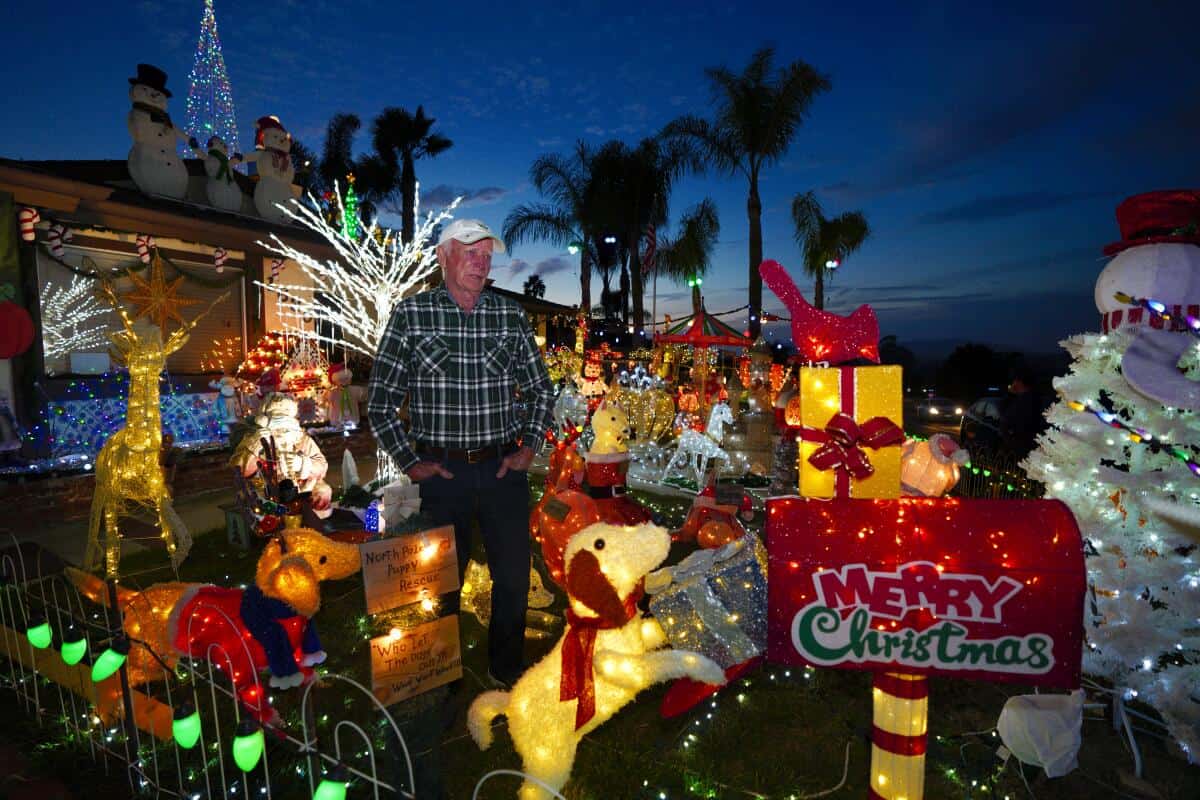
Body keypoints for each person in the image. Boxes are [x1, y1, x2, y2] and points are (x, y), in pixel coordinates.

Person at [368, 218, 555, 688]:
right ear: (443, 257)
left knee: (513, 578)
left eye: (487, 254)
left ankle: (505, 670)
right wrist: (411, 462)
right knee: (439, 585)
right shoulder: (411, 316)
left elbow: (540, 390)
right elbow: (380, 401)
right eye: (470, 252)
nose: (482, 261)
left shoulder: (509, 317)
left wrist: (529, 447)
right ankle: (439, 677)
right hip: (442, 474)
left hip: (501, 469)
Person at [999, 364, 1041, 458]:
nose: (1013, 383)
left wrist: (1010, 394)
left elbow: (1005, 416)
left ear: (1019, 382)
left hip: (1021, 448)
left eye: (1015, 381)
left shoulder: (1025, 401)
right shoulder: (1029, 399)